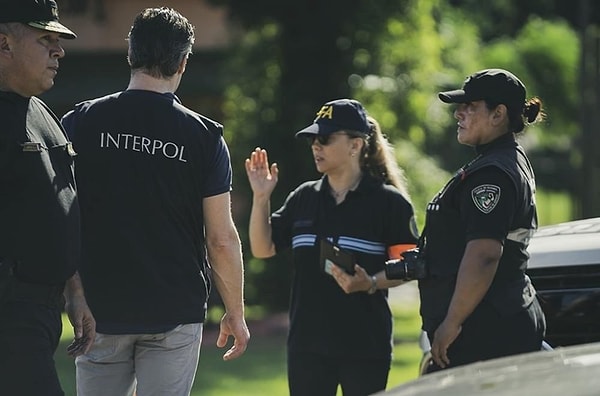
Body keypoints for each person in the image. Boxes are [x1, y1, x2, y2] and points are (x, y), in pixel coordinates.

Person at [60, 7, 249, 396]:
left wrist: (72, 292)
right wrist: (236, 312)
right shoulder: (205, 138)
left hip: (101, 310)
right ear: (183, 62)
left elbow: (60, 216)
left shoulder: (80, 122)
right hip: (174, 313)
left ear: (130, 54)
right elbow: (221, 238)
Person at [245, 98, 419, 396]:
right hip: (307, 348)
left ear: (355, 145)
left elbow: (411, 265)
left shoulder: (389, 203)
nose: (316, 146)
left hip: (366, 348)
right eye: (313, 139)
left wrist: (371, 283)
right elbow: (263, 249)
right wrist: (261, 198)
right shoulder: (304, 198)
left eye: (325, 139)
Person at [418, 68, 546, 372]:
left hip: (485, 330)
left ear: (498, 114)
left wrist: (452, 322)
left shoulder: (492, 173)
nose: (458, 114)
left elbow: (484, 256)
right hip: (494, 323)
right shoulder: (500, 160)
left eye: (470, 107)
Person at [0, 1, 96, 395]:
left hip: (40, 312)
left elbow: (58, 207)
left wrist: (75, 292)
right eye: (45, 39)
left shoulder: (41, 112)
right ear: (4, 43)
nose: (59, 51)